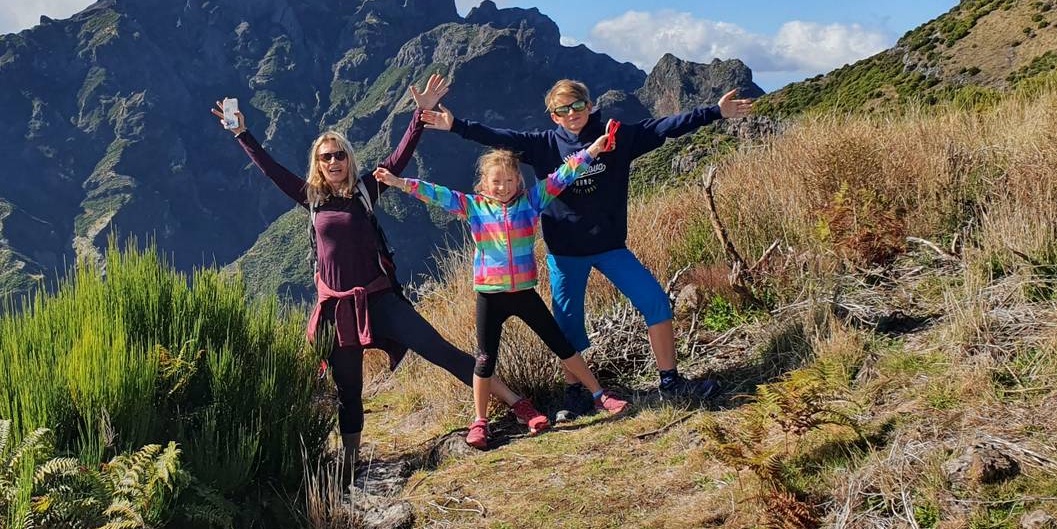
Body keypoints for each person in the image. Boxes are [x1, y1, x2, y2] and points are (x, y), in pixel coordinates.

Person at [213, 77, 548, 476]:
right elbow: (272, 170)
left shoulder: (366, 191)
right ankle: (351, 462)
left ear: (349, 159)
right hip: (337, 309)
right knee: (348, 389)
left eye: (339, 155)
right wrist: (242, 134)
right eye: (325, 157)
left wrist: (420, 115)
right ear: (318, 164)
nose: (333, 162)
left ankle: (516, 403)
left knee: (439, 350)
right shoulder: (311, 198)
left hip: (380, 300)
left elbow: (400, 156)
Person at [424, 80, 755, 418]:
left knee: (654, 301)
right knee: (567, 327)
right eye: (563, 109)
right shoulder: (543, 145)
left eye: (578, 105)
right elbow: (499, 137)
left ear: (590, 105)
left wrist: (715, 111)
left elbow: (664, 127)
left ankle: (670, 381)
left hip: (610, 246)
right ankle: (575, 394)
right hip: (565, 253)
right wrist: (456, 126)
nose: (572, 114)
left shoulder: (616, 136)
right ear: (554, 116)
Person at [373, 143, 629, 449]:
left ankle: (599, 395)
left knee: (561, 345)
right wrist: (399, 182)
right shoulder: (473, 206)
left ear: (518, 181)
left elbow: (563, 175)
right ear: (483, 183)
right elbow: (436, 194)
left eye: (509, 180)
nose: (503, 187)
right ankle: (480, 421)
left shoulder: (531, 201)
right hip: (490, 297)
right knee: (484, 360)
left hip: (524, 293)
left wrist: (593, 151)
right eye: (496, 181)